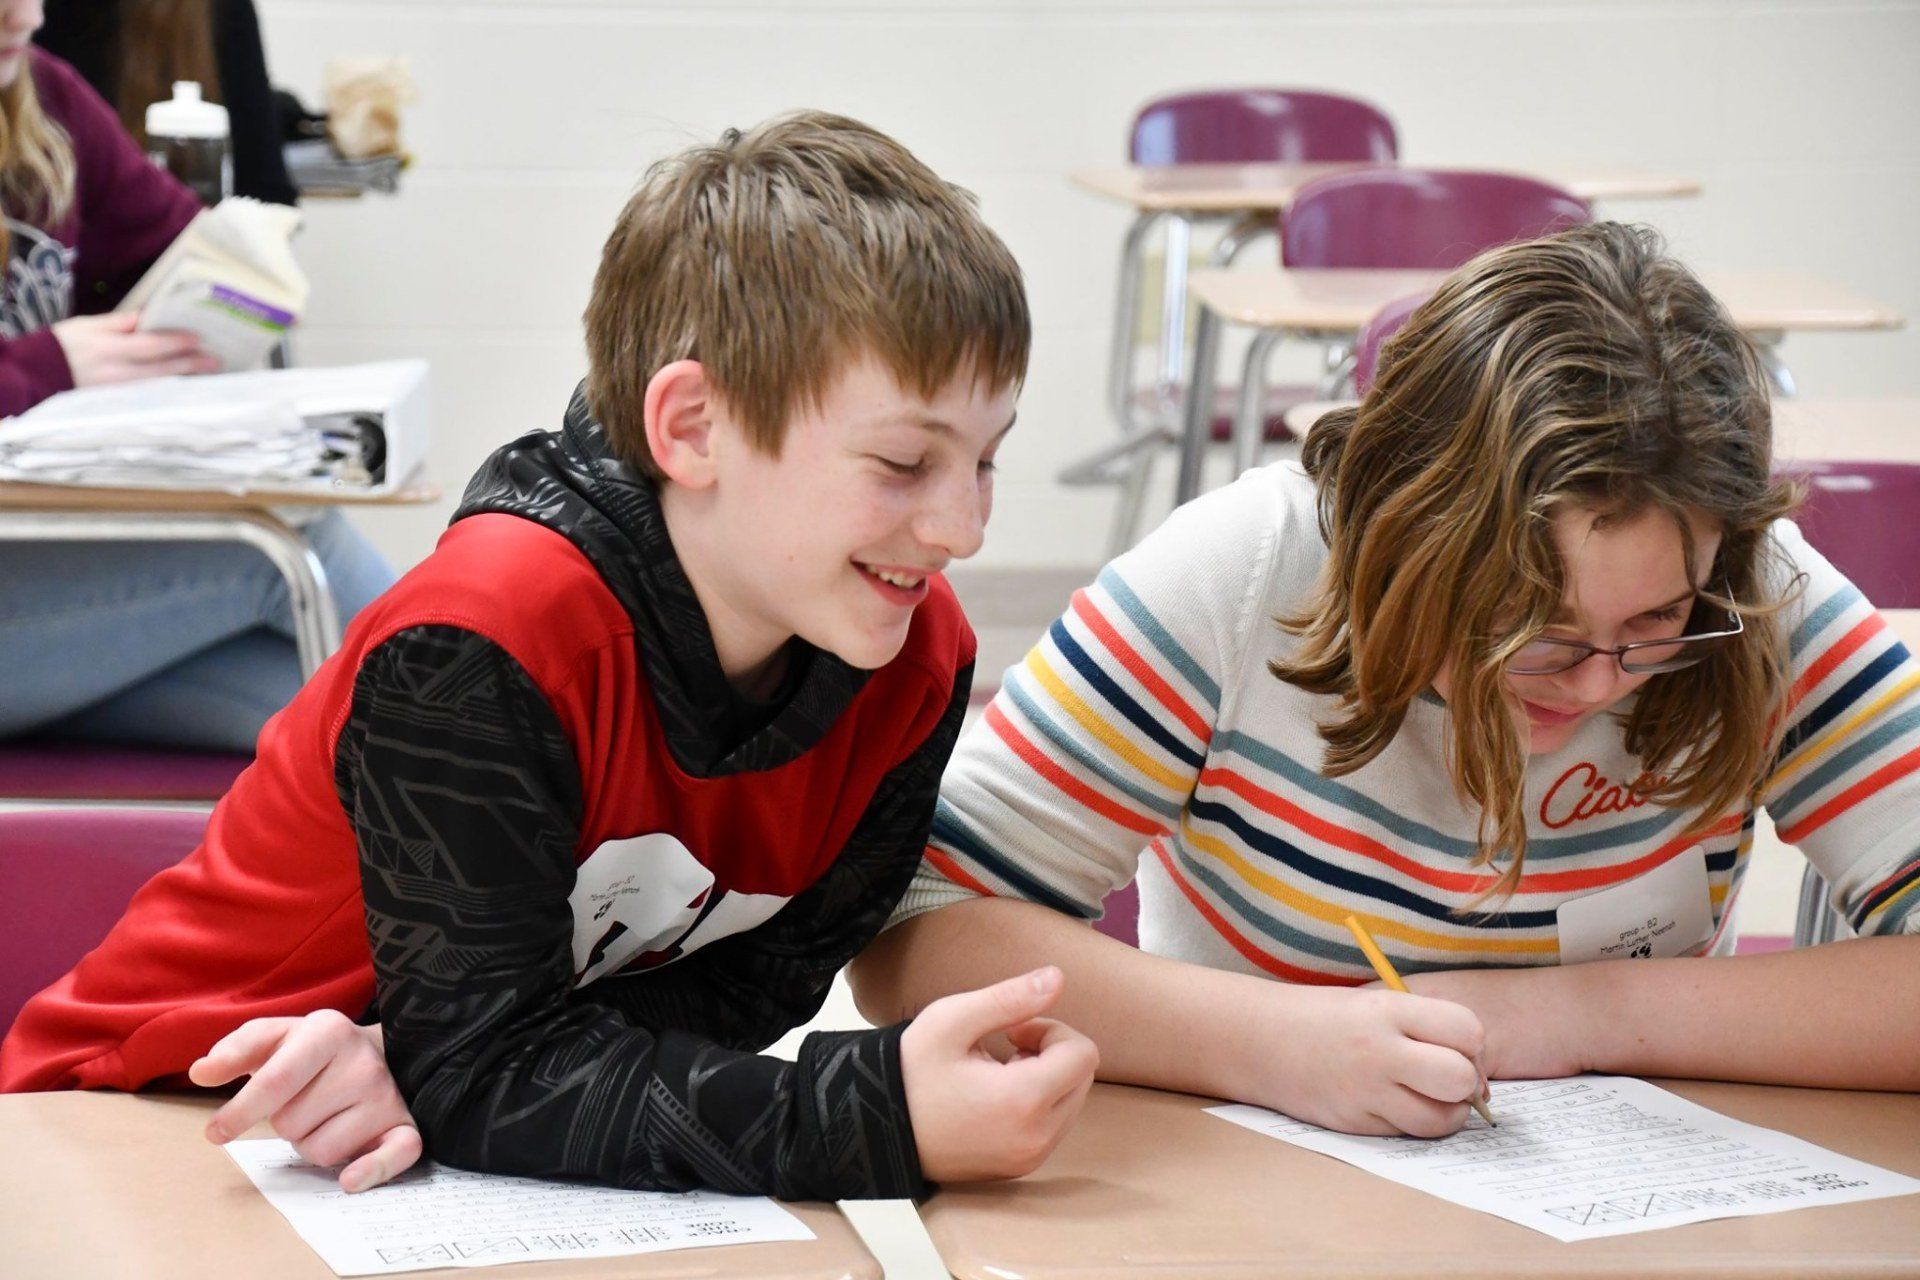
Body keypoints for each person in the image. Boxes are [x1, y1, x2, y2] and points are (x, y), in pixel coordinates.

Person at [0, 110, 1100, 1203]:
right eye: (906, 460)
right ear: (695, 426)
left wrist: (443, 1065)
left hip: (394, 1155)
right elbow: (485, 1069)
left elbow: (753, 982)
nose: (964, 528)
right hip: (135, 1127)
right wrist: (874, 1112)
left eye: (987, 460)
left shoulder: (914, 653)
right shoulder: (487, 639)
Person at [850, 220, 1920, 1135]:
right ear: (1403, 535)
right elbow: (917, 925)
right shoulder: (1248, 573)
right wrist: (1273, 1043)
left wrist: (1582, 1014)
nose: (1596, 682)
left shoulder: (1747, 594)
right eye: (1532, 630)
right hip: (1254, 1177)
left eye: (1651, 623)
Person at [0, 0, 390, 752]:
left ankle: (540, 777)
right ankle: (522, 719)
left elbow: (184, 242)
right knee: (282, 555)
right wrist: (52, 365)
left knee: (361, 723)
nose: (31, 13)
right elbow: (52, 362)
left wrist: (221, 301)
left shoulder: (43, 97)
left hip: (38, 593)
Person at [36, 0, 299, 205]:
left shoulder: (216, 13)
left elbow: (268, 196)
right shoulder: (35, 20)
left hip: (178, 259)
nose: (26, 18)